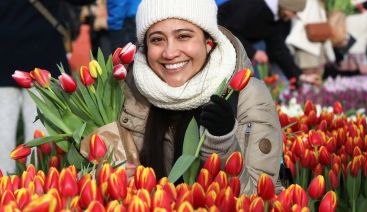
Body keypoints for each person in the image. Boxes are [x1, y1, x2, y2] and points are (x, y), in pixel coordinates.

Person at [81, 0, 284, 194]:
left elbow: (260, 197)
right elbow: (89, 172)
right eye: (157, 39)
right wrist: (107, 178)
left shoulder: (248, 95)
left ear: (208, 43)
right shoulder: (130, 92)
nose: (169, 53)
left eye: (183, 36)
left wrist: (223, 146)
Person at [0, 0, 93, 174]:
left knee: (2, 139)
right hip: (44, 55)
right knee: (41, 139)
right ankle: (38, 189)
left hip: (4, 52)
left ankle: (5, 193)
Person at [218, 0, 321, 85]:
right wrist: (253, 52)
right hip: (218, 39)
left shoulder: (279, 19)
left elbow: (279, 49)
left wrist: (299, 75)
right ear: (285, 5)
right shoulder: (253, 6)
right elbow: (228, 29)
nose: (294, 16)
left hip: (239, 45)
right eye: (294, 12)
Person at [285, 0, 336, 81]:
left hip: (318, 43)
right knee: (308, 79)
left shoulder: (318, 3)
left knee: (317, 78)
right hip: (304, 44)